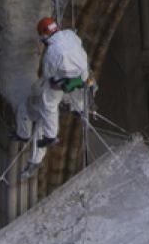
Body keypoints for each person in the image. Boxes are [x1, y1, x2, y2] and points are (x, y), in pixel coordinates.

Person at [15, 14, 95, 177]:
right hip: (82, 78)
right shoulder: (70, 35)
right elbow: (78, 45)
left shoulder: (51, 52)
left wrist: (50, 84)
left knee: (47, 105)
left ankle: (48, 138)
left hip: (64, 83)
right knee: (77, 91)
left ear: (44, 35)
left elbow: (47, 75)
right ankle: (79, 108)